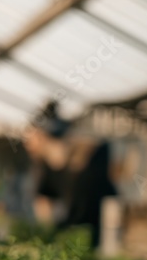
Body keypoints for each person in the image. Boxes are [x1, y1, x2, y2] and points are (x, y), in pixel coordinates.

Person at [22, 100, 117, 248]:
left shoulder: (92, 151)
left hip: (102, 228)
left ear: (42, 135)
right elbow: (43, 201)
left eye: (30, 138)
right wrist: (49, 233)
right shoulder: (43, 168)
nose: (27, 144)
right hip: (72, 231)